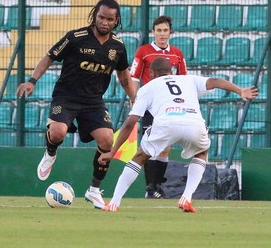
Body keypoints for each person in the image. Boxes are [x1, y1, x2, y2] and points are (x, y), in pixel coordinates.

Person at [16, 0, 136, 210]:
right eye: (101, 17)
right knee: (58, 133)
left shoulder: (117, 46)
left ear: (117, 20)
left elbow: (123, 74)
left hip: (93, 102)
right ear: (94, 15)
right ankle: (50, 153)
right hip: (66, 96)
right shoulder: (76, 37)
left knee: (108, 141)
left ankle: (94, 190)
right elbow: (49, 57)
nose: (104, 22)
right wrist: (32, 81)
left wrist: (135, 98)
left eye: (110, 19)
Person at [99, 57, 258, 212]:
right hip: (193, 123)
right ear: (172, 71)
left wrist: (113, 151)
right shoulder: (188, 79)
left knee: (140, 157)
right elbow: (216, 81)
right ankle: (186, 198)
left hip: (166, 124)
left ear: (152, 73)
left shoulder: (147, 87)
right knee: (201, 152)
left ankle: (114, 202)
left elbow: (130, 122)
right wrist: (240, 90)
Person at [130, 15, 187, 199]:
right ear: (153, 32)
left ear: (170, 32)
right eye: (159, 30)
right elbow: (134, 77)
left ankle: (156, 186)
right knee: (149, 145)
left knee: (165, 148)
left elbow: (184, 79)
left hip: (169, 107)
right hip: (150, 106)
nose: (162, 34)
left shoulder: (177, 54)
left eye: (165, 30)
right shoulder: (144, 52)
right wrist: (135, 99)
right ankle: (150, 188)